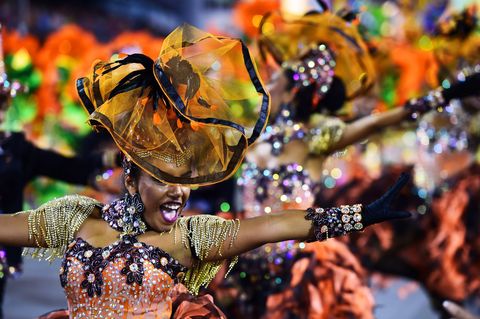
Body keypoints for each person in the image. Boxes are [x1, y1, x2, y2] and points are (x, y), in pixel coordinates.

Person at [0, 24, 412, 318]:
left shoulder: (189, 237)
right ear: (132, 178)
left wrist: (362, 215)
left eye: (185, 181)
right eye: (164, 179)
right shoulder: (74, 220)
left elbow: (273, 227)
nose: (179, 192)